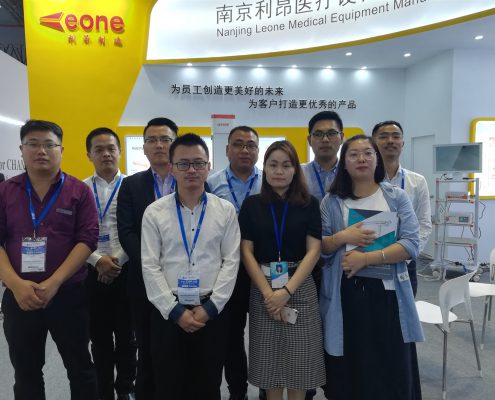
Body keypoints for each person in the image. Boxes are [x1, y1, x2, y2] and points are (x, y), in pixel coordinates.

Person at [319, 134, 424, 400]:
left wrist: (367, 259)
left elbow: (411, 244)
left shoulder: (396, 197)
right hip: (346, 294)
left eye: (368, 153)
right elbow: (321, 247)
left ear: (377, 159)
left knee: (389, 367)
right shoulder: (331, 201)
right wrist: (342, 237)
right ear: (344, 162)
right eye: (353, 154)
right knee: (352, 367)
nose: (362, 159)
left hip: (388, 295)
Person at [0, 119, 99, 399]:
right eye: (33, 144)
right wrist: (16, 285)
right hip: (20, 296)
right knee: (26, 371)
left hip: (68, 294)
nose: (41, 150)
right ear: (21, 149)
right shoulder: (5, 192)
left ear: (61, 150)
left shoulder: (79, 191)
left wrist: (55, 282)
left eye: (49, 144)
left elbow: (87, 239)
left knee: (80, 367)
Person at [141, 133, 240, 400]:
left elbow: (231, 262)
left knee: (208, 386)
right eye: (183, 164)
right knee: (168, 387)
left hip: (211, 312)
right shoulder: (154, 212)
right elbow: (149, 266)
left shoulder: (225, 210)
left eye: (198, 163)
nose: (191, 170)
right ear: (171, 168)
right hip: (168, 313)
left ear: (209, 166)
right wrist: (174, 311)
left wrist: (211, 308)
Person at [239, 140, 325, 400]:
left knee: (300, 362)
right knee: (268, 363)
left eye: (286, 165)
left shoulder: (310, 204)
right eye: (273, 165)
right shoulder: (252, 205)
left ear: (295, 169)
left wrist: (286, 291)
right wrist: (269, 294)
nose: (279, 171)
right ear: (264, 168)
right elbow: (246, 252)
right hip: (263, 287)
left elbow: (314, 251)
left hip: (299, 285)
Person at [116, 117, 178, 400]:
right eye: (152, 140)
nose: (159, 145)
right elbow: (126, 230)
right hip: (143, 280)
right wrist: (152, 263)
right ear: (143, 148)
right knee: (147, 344)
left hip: (183, 279)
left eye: (165, 139)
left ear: (175, 144)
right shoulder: (131, 185)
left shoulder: (192, 178)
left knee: (180, 345)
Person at [207, 125, 261, 400]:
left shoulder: (269, 180)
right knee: (232, 335)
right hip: (227, 270)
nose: (244, 150)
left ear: (258, 151)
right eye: (238, 144)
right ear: (227, 150)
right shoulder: (211, 183)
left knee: (266, 334)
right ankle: (237, 393)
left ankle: (267, 389)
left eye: (251, 145)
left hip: (263, 269)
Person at [84, 127, 137, 400]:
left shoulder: (132, 186)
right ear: (89, 155)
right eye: (99, 149)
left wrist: (114, 261)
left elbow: (135, 229)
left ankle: (125, 388)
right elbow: (75, 233)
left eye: (111, 149)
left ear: (120, 152)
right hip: (90, 270)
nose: (106, 154)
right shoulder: (81, 188)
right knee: (99, 337)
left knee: (127, 336)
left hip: (126, 270)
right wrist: (97, 261)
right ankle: (103, 391)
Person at [372, 120, 432, 296]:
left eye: (395, 136)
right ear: (373, 143)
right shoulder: (365, 181)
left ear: (402, 143)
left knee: (404, 308)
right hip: (371, 258)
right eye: (383, 136)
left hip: (405, 261)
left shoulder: (417, 182)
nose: (390, 140)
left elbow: (424, 223)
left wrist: (408, 253)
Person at [301, 111, 344, 202]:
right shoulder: (298, 173)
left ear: (342, 137)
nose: (325, 139)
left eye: (331, 133)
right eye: (318, 134)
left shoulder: (351, 172)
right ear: (309, 140)